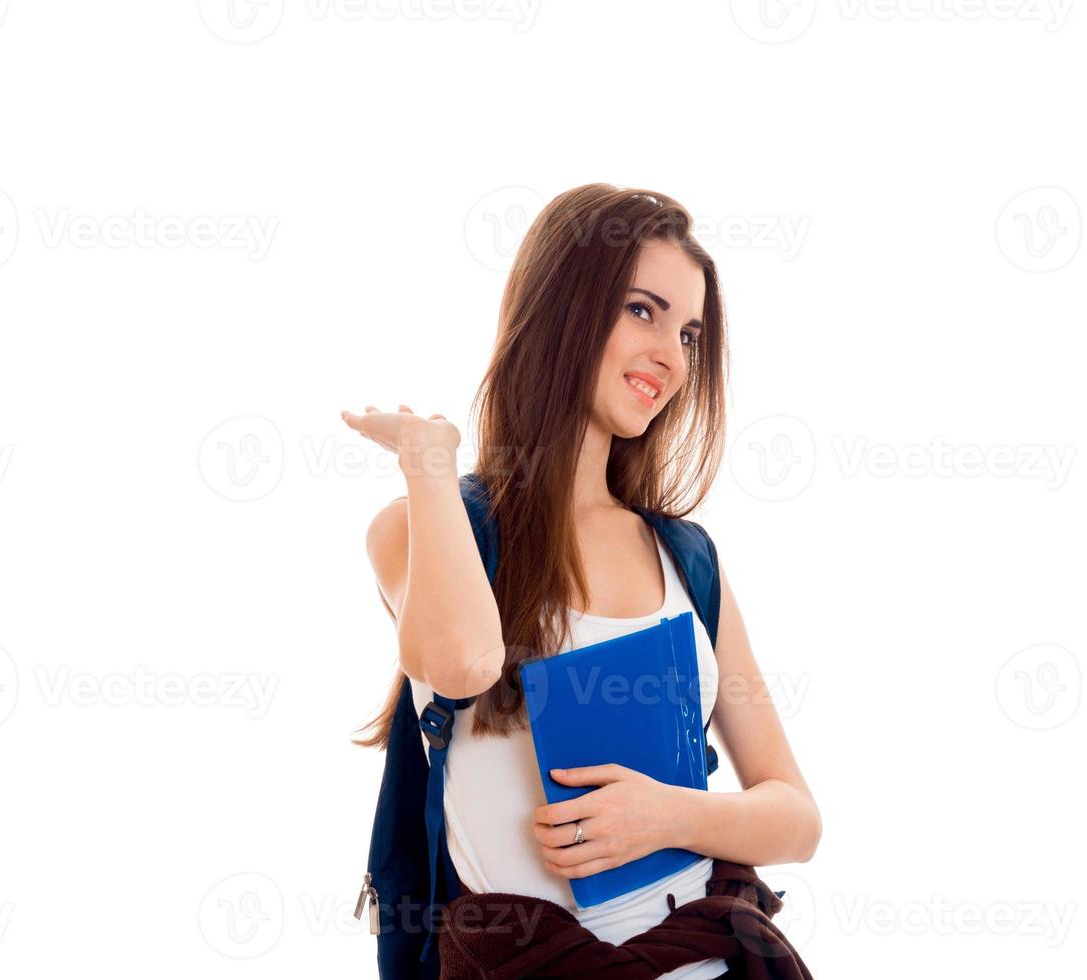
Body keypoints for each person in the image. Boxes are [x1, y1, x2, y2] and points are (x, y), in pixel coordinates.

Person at [344, 183, 819, 978]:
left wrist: (670, 815)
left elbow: (796, 818)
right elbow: (461, 665)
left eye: (691, 332)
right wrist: (430, 467)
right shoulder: (426, 528)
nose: (672, 355)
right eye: (643, 310)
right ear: (564, 305)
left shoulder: (686, 558)